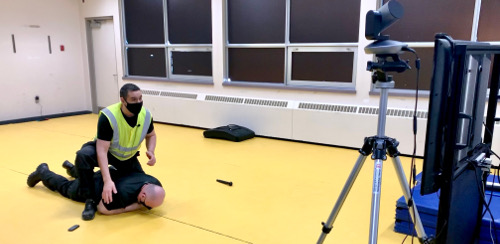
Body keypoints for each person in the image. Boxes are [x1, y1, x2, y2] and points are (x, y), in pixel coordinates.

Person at [75, 83, 157, 220]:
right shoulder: (108, 116)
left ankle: (74, 170)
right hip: (107, 151)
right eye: (133, 99)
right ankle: (89, 200)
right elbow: (101, 150)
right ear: (123, 100)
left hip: (127, 158)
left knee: (139, 182)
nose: (138, 102)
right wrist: (107, 181)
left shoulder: (146, 115)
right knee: (83, 156)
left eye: (140, 98)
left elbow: (151, 135)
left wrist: (151, 150)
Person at [27, 161, 165, 215]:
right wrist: (137, 207)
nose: (146, 208)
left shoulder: (154, 182)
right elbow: (103, 209)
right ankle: (43, 172)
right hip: (95, 185)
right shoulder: (123, 192)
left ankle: (73, 169)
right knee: (67, 188)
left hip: (109, 174)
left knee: (88, 176)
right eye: (146, 205)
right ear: (143, 196)